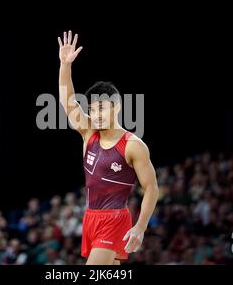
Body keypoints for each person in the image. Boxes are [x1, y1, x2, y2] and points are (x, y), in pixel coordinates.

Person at [57, 30, 159, 265]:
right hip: (90, 217)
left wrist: (140, 227)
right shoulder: (88, 133)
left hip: (114, 219)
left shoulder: (133, 146)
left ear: (116, 107)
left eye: (102, 108)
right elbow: (67, 101)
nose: (95, 114)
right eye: (92, 109)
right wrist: (65, 65)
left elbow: (151, 187)